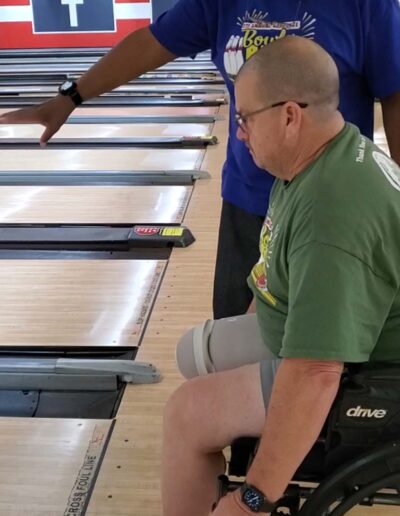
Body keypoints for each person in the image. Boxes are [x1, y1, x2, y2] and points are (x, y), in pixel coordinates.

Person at [1, 1, 400, 319]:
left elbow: (396, 92)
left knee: (322, 359)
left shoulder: (367, 6)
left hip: (332, 213)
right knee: (234, 339)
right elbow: (151, 44)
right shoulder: (220, 2)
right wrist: (71, 97)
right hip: (249, 206)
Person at [162, 36, 400, 516]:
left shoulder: (332, 213)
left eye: (245, 117)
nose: (240, 132)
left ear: (290, 115)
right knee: (194, 352)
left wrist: (252, 498)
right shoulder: (319, 158)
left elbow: (315, 372)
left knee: (185, 413)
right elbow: (274, 276)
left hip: (367, 368)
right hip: (308, 331)